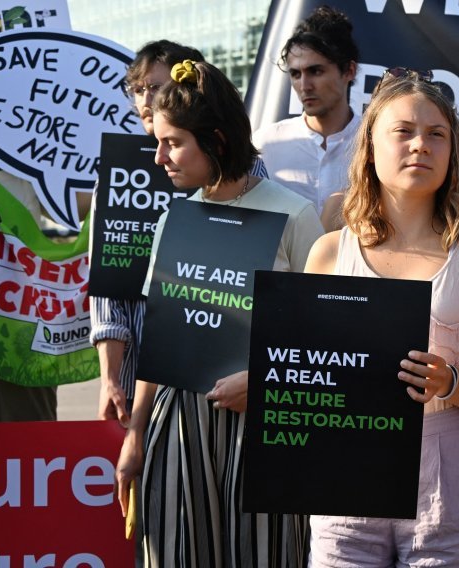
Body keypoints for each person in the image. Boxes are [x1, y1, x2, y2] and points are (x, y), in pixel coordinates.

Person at [304, 68, 459, 566]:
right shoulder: (327, 253)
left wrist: (451, 383)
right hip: (346, 475)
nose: (420, 145)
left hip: (447, 474)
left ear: (452, 152)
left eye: (436, 134)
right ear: (370, 146)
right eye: (402, 131)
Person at [114, 59, 323, 566]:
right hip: (179, 425)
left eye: (174, 142)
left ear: (218, 141)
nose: (159, 156)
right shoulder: (174, 218)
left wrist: (262, 381)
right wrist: (136, 436)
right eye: (159, 141)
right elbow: (158, 338)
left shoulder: (293, 214)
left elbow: (322, 334)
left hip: (265, 421)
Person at [89, 40, 268, 428]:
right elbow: (108, 288)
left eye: (156, 87)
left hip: (228, 383)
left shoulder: (250, 176)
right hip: (139, 382)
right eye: (138, 89)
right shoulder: (119, 174)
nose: (146, 99)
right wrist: (110, 379)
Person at [252, 5, 360, 224]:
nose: (304, 85)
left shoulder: (376, 143)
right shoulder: (265, 144)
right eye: (295, 74)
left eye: (316, 71)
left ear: (349, 71)